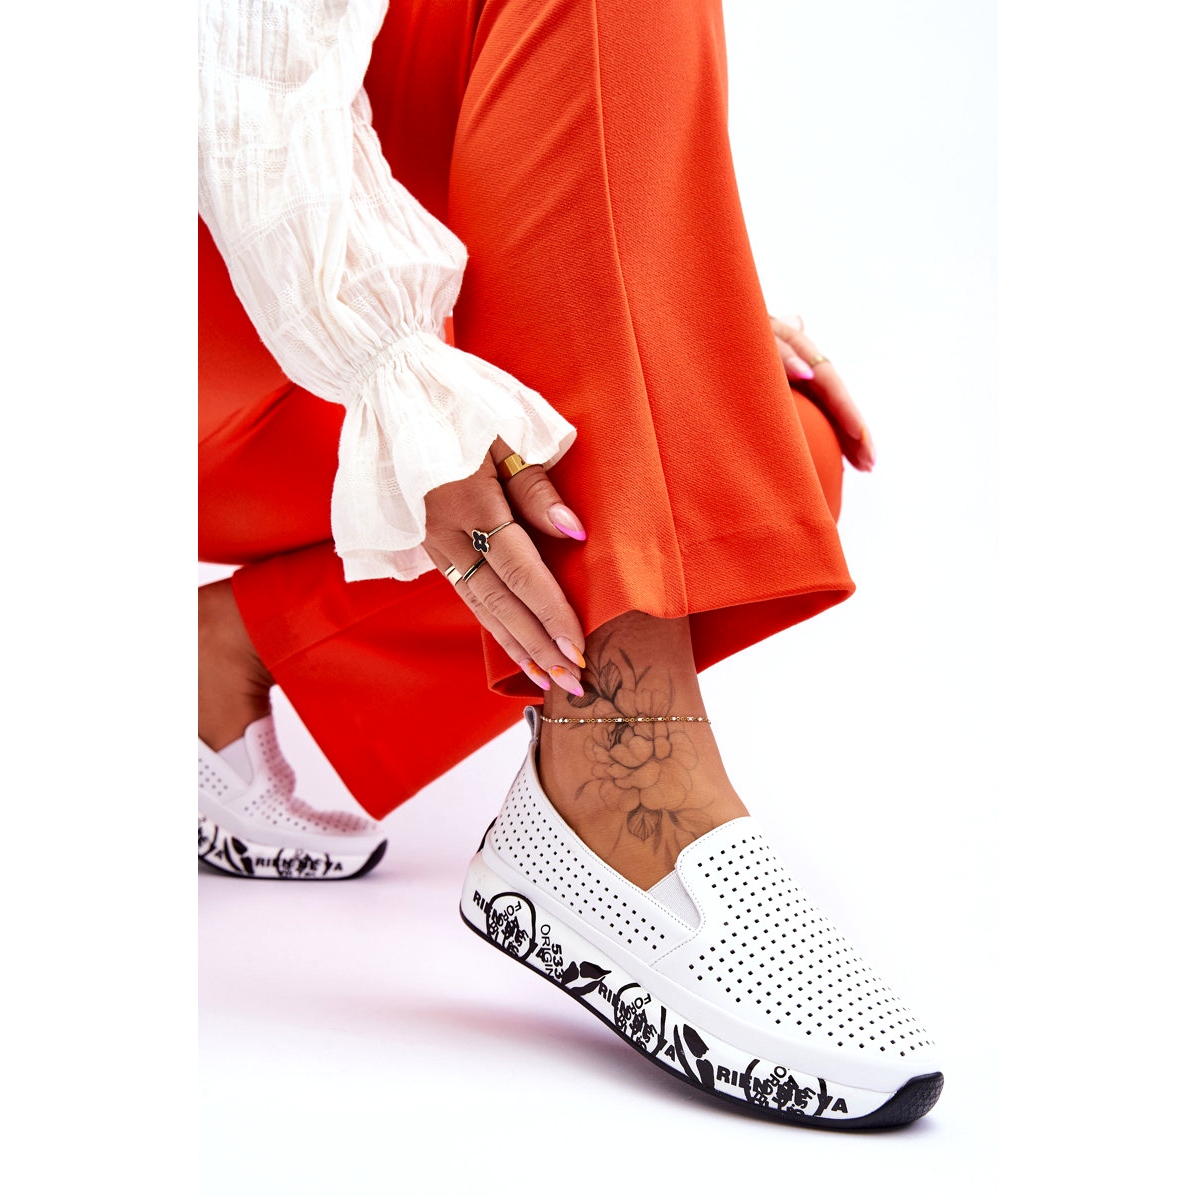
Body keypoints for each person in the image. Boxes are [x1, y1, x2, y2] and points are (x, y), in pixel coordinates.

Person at [199, 0, 941, 1127]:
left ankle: (228, 653)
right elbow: (237, 59)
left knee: (762, 458)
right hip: (204, 260)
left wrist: (680, 324)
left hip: (320, 236)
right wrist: (394, 363)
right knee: (673, 475)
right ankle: (623, 774)